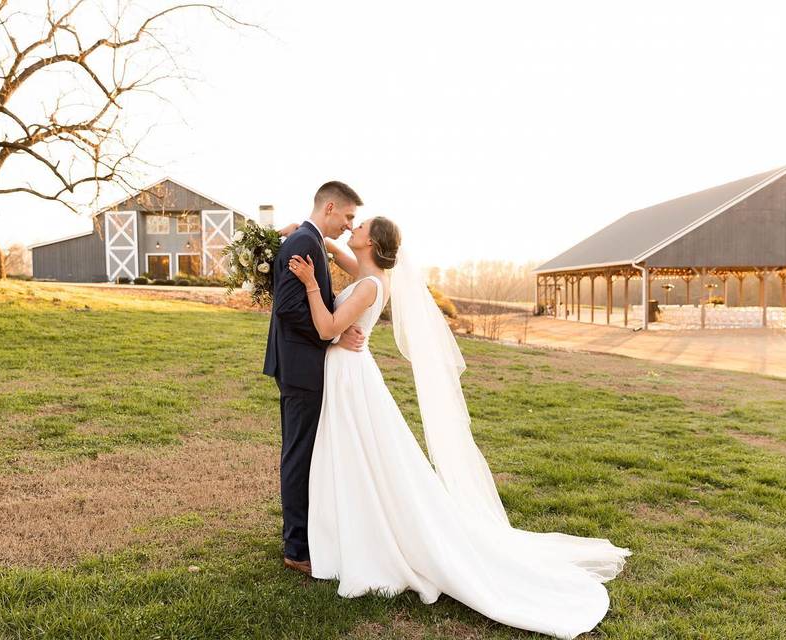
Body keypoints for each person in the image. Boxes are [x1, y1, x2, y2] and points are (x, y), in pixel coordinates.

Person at [285, 216, 631, 639]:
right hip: (350, 373)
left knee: (365, 455)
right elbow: (344, 259)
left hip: (350, 376)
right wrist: (311, 235)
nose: (351, 230)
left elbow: (325, 327)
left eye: (360, 228)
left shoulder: (371, 285)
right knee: (359, 455)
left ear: (372, 242)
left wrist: (309, 284)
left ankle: (374, 539)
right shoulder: (371, 275)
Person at [262, 181, 364, 575]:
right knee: (299, 455)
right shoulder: (304, 242)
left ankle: (308, 536)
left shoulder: (309, 240)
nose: (349, 225)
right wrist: (335, 332)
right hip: (301, 366)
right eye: (349, 217)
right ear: (331, 207)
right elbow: (288, 307)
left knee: (305, 451)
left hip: (303, 363)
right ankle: (297, 548)